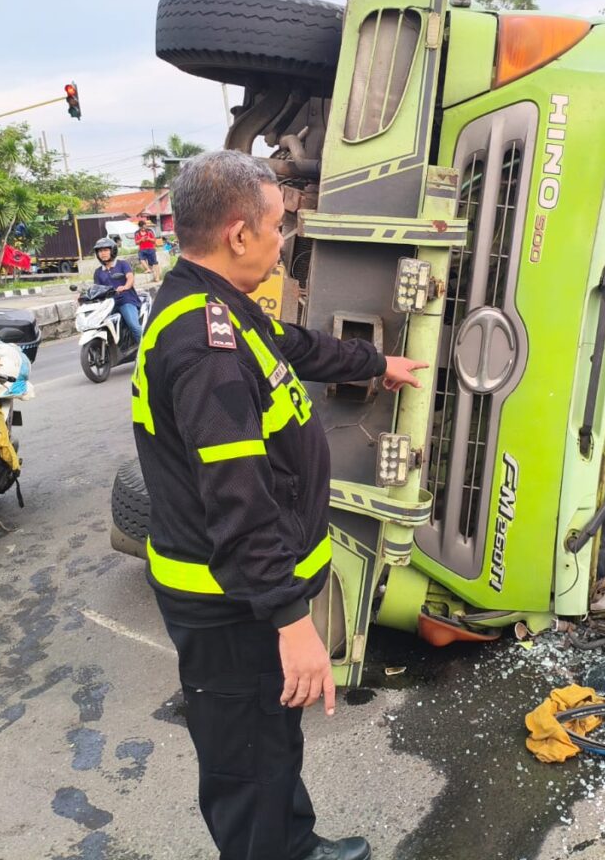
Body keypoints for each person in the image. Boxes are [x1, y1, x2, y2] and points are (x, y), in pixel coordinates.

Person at [131, 150, 426, 860]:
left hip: (246, 597)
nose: (280, 242)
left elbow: (290, 345)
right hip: (232, 605)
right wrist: (292, 623)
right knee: (249, 765)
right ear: (239, 234)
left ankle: (295, 844)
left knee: (271, 740)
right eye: (275, 228)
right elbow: (239, 502)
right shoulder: (205, 348)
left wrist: (375, 364)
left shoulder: (216, 306)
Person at [92, 237, 142, 342]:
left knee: (134, 326)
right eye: (100, 251)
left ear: (113, 251)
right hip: (108, 305)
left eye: (105, 250)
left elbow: (130, 277)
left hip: (125, 300)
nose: (102, 253)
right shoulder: (98, 272)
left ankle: (147, 350)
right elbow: (96, 288)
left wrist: (125, 286)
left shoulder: (122, 264)